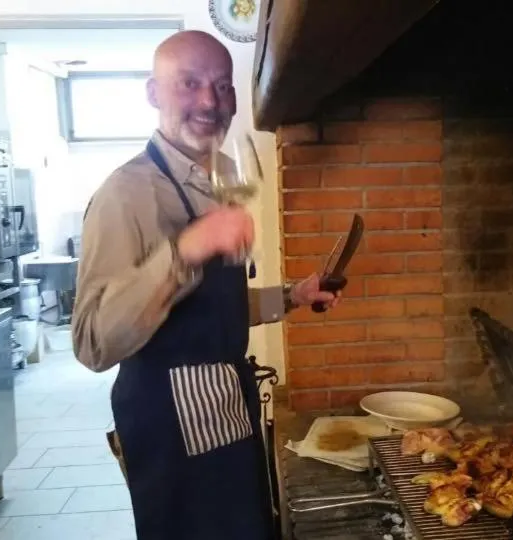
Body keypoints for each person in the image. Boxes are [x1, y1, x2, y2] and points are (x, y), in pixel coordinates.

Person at [71, 30, 340, 539]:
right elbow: (91, 343)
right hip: (167, 426)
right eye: (189, 83)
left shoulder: (222, 174)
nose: (209, 102)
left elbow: (210, 307)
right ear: (154, 94)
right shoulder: (125, 195)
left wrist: (292, 296)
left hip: (225, 404)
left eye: (222, 86)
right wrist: (186, 249)